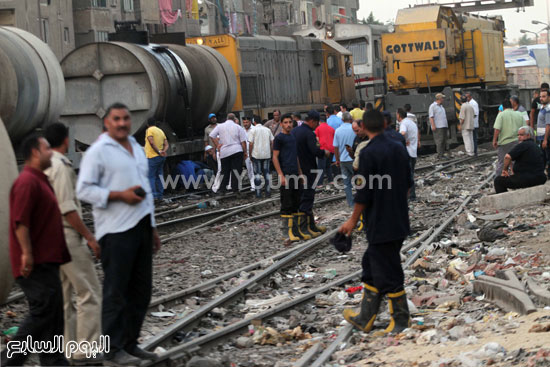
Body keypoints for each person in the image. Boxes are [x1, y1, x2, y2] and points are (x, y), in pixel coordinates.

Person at [76, 102, 160, 365]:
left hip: (142, 227)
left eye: (126, 119)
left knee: (141, 291)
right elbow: (84, 190)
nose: (122, 123)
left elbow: (145, 186)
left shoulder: (135, 147)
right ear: (107, 123)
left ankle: (130, 343)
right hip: (116, 231)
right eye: (117, 119)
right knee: (116, 292)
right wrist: (119, 196)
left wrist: (153, 226)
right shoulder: (98, 151)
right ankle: (111, 348)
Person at [339, 109, 412, 335]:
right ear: (383, 124)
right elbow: (409, 184)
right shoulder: (399, 149)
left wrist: (352, 220)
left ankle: (400, 321)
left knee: (388, 271)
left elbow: (363, 193)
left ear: (364, 127)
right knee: (370, 265)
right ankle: (365, 316)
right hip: (398, 218)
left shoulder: (369, 154)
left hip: (380, 222)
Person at [1, 134, 71, 367]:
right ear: (34, 152)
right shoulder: (27, 182)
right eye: (46, 148)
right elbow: (20, 221)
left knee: (52, 314)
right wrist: (27, 254)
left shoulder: (39, 180)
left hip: (47, 261)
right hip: (35, 263)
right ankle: (10, 362)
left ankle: (54, 361)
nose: (51, 152)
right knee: (42, 312)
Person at [44, 123, 102, 365]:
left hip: (51, 237)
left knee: (66, 297)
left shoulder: (46, 167)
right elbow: (68, 208)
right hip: (67, 237)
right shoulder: (62, 166)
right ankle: (86, 350)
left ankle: (69, 350)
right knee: (90, 291)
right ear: (66, 140)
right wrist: (89, 237)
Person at [293, 110, 329, 238]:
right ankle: (305, 228)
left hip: (296, 171)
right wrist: (323, 153)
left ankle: (310, 225)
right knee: (308, 197)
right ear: (313, 121)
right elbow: (315, 150)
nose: (317, 125)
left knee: (301, 197)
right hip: (308, 170)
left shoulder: (295, 131)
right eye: (317, 122)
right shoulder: (309, 134)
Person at [273, 114, 308, 241]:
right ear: (281, 124)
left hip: (295, 173)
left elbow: (296, 156)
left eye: (290, 122)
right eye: (285, 122)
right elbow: (275, 157)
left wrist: (300, 173)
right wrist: (281, 175)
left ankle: (296, 231)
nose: (288, 125)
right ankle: (286, 233)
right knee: (286, 203)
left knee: (296, 202)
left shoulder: (293, 137)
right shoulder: (279, 138)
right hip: (286, 173)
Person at [494, 126, 547, 193]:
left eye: (521, 135)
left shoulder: (523, 145)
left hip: (527, 178)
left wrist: (504, 170)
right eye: (518, 135)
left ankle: (505, 201)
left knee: (498, 181)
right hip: (541, 178)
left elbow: (507, 157)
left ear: (528, 135)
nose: (519, 137)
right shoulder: (536, 146)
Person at [210, 113, 248, 194]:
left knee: (225, 171)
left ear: (227, 119)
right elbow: (243, 142)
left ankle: (222, 189)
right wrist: (245, 152)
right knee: (236, 170)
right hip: (236, 151)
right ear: (234, 119)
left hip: (224, 152)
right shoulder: (238, 127)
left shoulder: (220, 126)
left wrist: (218, 145)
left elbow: (212, 135)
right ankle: (235, 189)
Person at [493, 98, 525, 176]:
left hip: (505, 143)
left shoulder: (501, 115)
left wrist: (494, 141)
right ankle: (519, 178)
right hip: (517, 142)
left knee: (502, 163)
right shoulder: (519, 114)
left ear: (503, 107)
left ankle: (498, 180)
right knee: (516, 162)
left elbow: (497, 129)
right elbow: (524, 128)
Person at [333, 112, 357, 207]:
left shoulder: (338, 131)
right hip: (353, 159)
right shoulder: (354, 130)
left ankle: (351, 203)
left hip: (343, 160)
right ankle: (360, 201)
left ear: (342, 120)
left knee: (346, 183)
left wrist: (337, 160)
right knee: (359, 180)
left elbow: (335, 147)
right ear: (350, 119)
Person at [249, 117, 274, 198]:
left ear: (254, 122)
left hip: (256, 155)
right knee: (266, 173)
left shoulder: (253, 130)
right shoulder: (267, 130)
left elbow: (251, 144)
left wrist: (250, 154)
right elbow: (272, 142)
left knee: (257, 175)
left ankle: (258, 194)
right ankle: (268, 192)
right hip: (266, 155)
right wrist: (270, 151)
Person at [144, 118, 169, 200]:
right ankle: (160, 195)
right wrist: (163, 151)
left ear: (147, 124)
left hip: (152, 157)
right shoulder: (160, 131)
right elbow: (166, 144)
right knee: (159, 176)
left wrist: (158, 151)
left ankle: (154, 196)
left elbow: (151, 142)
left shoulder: (149, 130)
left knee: (151, 177)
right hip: (161, 157)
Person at [397, 108, 419, 200]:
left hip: (407, 152)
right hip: (413, 152)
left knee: (407, 175)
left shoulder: (403, 123)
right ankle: (411, 195)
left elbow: (402, 133)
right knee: (410, 174)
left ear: (399, 115)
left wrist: (397, 140)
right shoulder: (411, 123)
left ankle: (411, 196)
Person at [314, 114, 335, 185]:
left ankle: (319, 183)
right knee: (328, 166)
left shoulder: (318, 129)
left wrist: (317, 148)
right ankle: (330, 180)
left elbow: (317, 139)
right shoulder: (331, 128)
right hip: (331, 149)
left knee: (321, 167)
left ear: (319, 121)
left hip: (323, 150)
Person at [205, 113, 222, 193]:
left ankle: (221, 184)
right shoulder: (207, 129)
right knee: (215, 168)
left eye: (214, 117)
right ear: (209, 120)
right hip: (212, 151)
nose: (213, 119)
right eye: (212, 118)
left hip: (220, 149)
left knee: (221, 168)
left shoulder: (220, 126)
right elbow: (206, 141)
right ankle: (218, 184)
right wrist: (207, 151)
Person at [429, 93, 449, 158]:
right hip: (438, 126)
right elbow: (431, 117)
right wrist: (433, 125)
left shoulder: (441, 107)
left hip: (443, 126)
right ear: (439, 99)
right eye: (442, 98)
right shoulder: (433, 106)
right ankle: (440, 155)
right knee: (439, 141)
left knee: (443, 140)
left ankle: (442, 154)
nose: (443, 99)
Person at [537, 89, 550, 175]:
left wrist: (545, 140)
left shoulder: (548, 109)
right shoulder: (542, 108)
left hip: (546, 138)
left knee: (548, 157)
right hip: (541, 137)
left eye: (544, 96)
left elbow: (548, 125)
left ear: (549, 97)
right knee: (543, 157)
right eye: (540, 96)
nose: (541, 98)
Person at [242, 116, 256, 191]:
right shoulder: (241, 130)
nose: (245, 124)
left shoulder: (254, 129)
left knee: (255, 169)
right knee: (249, 169)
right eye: (244, 122)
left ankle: (257, 184)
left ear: (250, 122)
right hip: (246, 153)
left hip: (254, 152)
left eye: (247, 122)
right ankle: (252, 185)